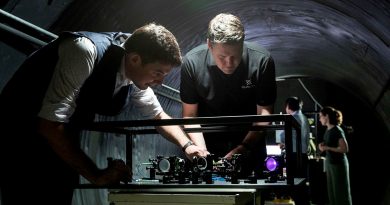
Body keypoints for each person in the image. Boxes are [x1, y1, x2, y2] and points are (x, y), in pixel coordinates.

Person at [0, 23, 206, 205]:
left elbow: (159, 116)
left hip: (58, 140)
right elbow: (48, 124)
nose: (160, 81)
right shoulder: (84, 50)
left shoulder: (134, 74)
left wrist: (187, 146)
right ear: (135, 59)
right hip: (19, 136)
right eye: (158, 73)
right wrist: (96, 174)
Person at [180, 13, 276, 177]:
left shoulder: (262, 61)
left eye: (234, 56)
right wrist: (202, 151)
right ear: (209, 45)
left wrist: (244, 148)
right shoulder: (192, 62)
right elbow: (189, 115)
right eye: (222, 57)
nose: (229, 63)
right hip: (206, 142)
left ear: (242, 44)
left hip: (250, 142)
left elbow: (265, 113)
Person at [318, 106, 352, 205]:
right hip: (330, 164)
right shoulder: (327, 130)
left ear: (326, 116)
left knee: (341, 193)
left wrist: (328, 148)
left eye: (321, 116)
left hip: (338, 165)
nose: (319, 119)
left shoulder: (337, 130)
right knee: (332, 194)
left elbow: (344, 149)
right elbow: (329, 143)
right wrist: (322, 145)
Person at [278, 96, 311, 178]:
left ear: (288, 106)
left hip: (294, 156)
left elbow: (283, 136)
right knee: (302, 181)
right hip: (303, 155)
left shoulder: (292, 118)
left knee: (293, 181)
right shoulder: (304, 118)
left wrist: (282, 143)